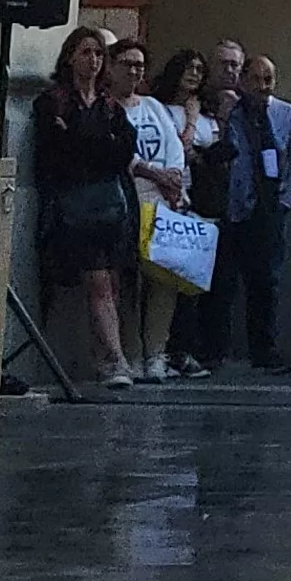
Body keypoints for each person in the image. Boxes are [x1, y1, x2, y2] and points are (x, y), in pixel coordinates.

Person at [30, 28, 140, 387]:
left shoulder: (109, 106)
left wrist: (88, 141)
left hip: (110, 205)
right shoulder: (56, 101)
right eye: (85, 52)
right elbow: (59, 152)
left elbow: (123, 151)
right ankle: (115, 359)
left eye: (97, 54)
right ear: (69, 57)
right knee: (97, 281)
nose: (92, 60)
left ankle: (105, 355)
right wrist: (96, 143)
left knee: (112, 280)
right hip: (73, 208)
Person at [119, 50, 203, 380]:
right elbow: (122, 153)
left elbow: (174, 147)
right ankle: (132, 354)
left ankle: (156, 353)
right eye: (127, 64)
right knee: (129, 283)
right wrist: (154, 174)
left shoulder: (152, 106)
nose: (135, 71)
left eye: (140, 65)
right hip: (129, 199)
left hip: (163, 203)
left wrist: (171, 178)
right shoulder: (109, 107)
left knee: (162, 282)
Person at [168, 42, 249, 378]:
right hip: (177, 200)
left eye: (199, 71)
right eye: (191, 69)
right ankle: (177, 349)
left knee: (215, 284)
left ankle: (209, 349)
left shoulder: (212, 113)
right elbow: (182, 150)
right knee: (182, 284)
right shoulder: (163, 109)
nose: (195, 76)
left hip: (212, 204)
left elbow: (220, 152)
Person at [230, 49, 291, 372]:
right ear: (243, 81)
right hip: (236, 208)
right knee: (226, 281)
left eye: (268, 79)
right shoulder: (230, 112)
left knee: (267, 283)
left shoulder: (287, 114)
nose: (262, 86)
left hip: (271, 208)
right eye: (256, 79)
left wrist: (286, 200)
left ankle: (265, 349)